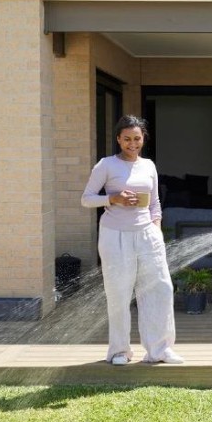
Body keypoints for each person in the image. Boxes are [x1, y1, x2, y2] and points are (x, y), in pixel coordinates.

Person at [81, 115, 184, 366]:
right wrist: (113, 199)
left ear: (143, 139)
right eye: (127, 139)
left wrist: (156, 229)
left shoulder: (148, 165)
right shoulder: (105, 165)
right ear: (118, 139)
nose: (132, 143)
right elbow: (86, 198)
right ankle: (119, 351)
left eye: (137, 139)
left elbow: (156, 203)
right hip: (114, 235)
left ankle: (159, 349)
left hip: (147, 235)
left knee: (160, 289)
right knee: (119, 293)